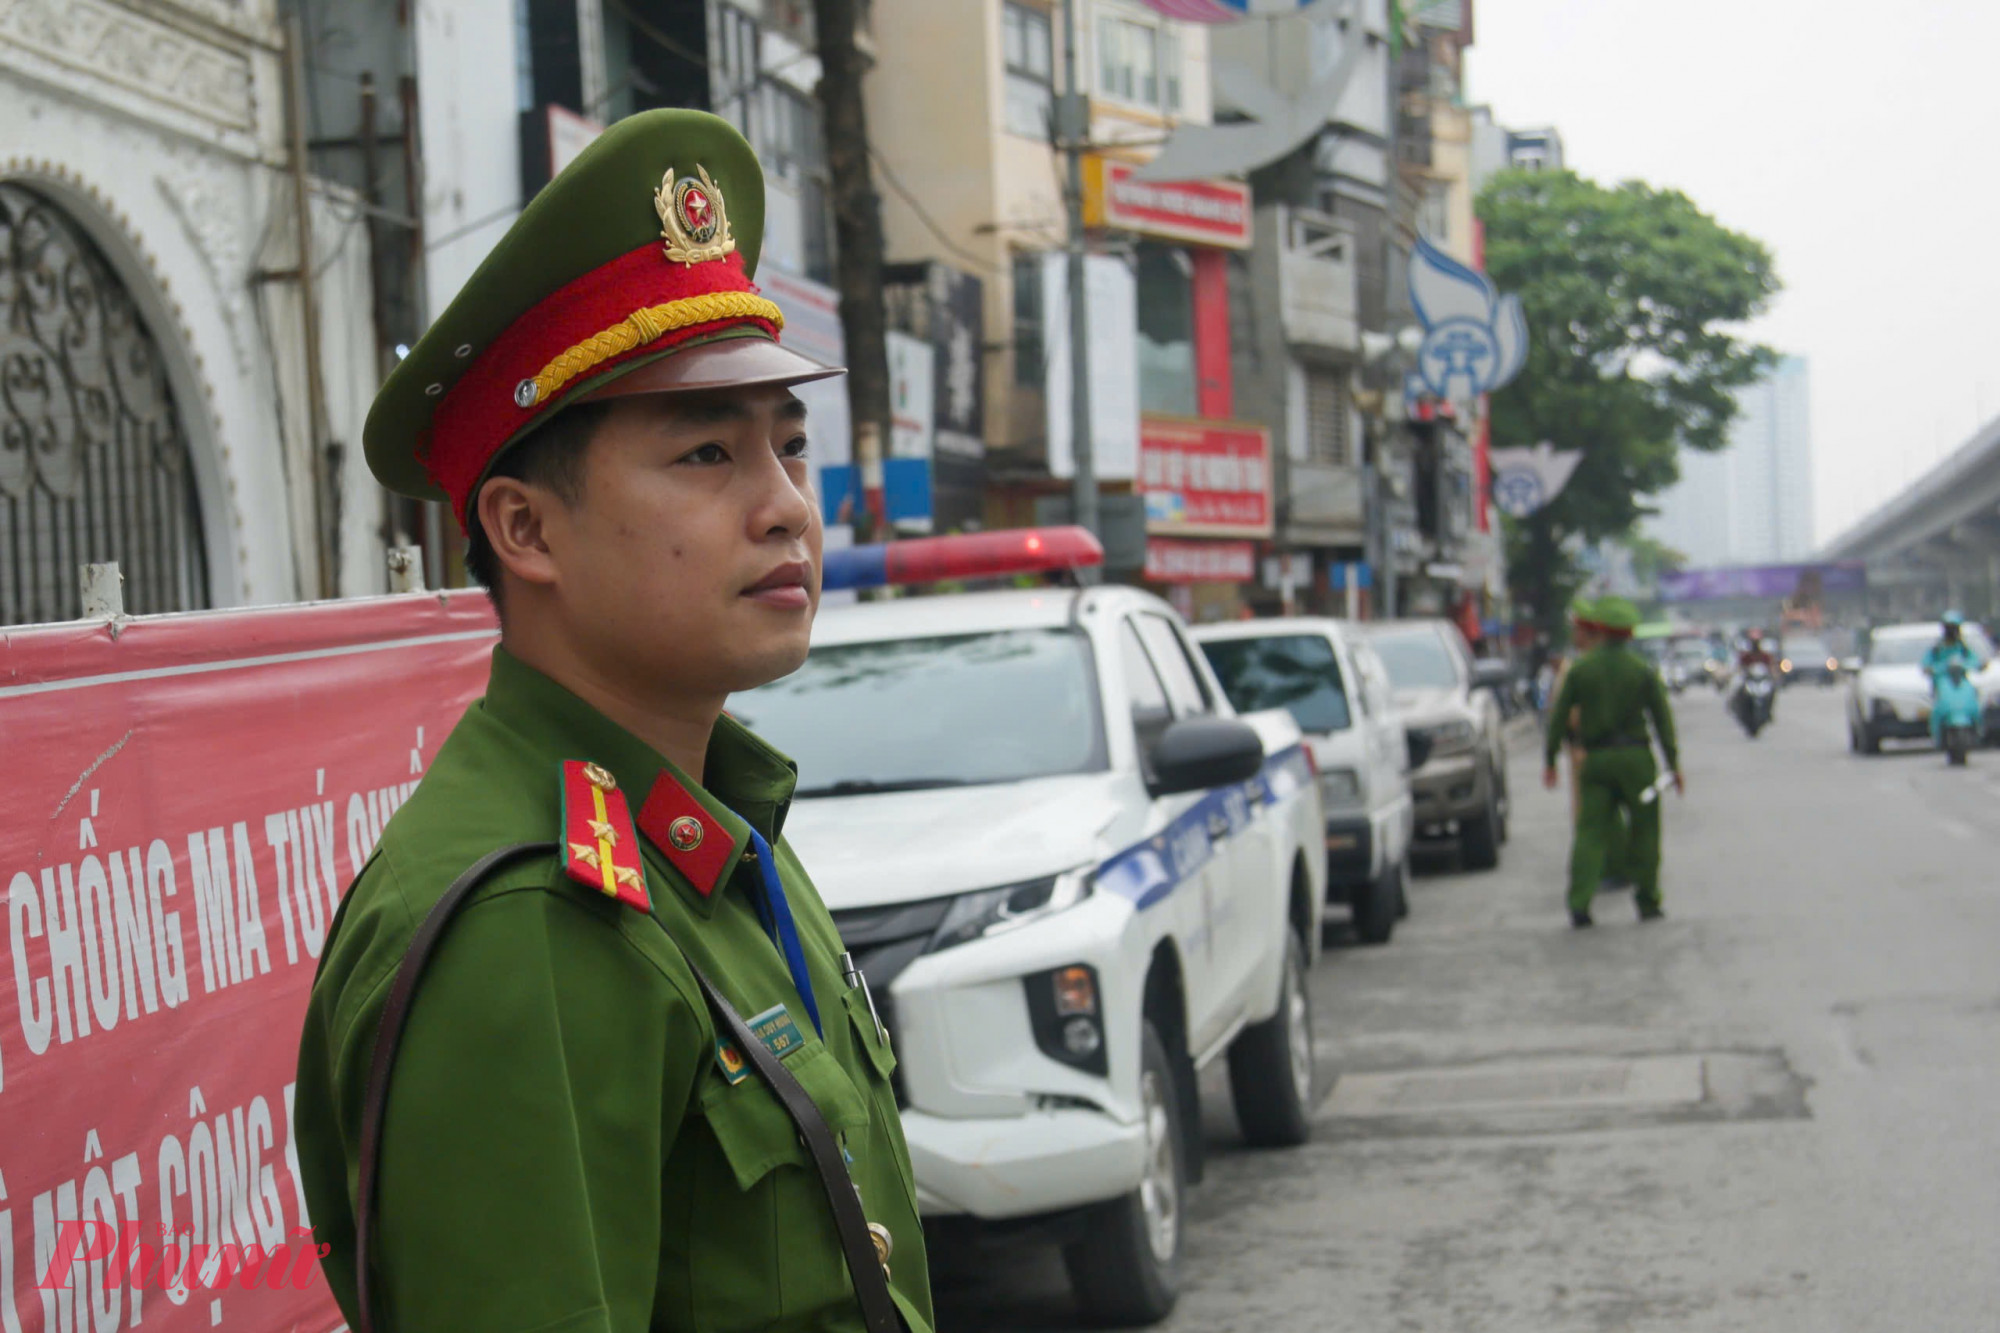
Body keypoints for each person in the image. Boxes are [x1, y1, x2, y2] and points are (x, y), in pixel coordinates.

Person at [294, 110, 933, 1333]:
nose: (785, 508)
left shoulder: (718, 828)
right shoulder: (531, 921)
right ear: (526, 530)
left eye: (789, 449)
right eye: (706, 453)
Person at [1541, 596, 1682, 928]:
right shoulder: (1642, 671)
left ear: (1599, 630)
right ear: (1630, 633)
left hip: (1597, 762)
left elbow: (1558, 718)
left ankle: (1579, 904)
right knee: (1646, 830)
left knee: (1590, 832)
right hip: (1637, 762)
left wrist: (1549, 760)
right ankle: (1647, 901)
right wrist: (1674, 766)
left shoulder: (1581, 671)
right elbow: (1663, 721)